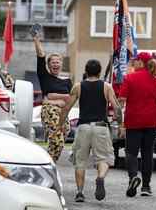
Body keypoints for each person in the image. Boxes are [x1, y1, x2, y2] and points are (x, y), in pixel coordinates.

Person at [61, 59, 122, 202]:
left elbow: (66, 108)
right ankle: (100, 178)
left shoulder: (78, 86)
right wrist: (121, 125)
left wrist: (60, 124)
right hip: (101, 127)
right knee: (104, 158)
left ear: (86, 71)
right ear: (100, 72)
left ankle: (80, 192)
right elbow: (117, 108)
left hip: (83, 127)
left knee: (80, 161)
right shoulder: (106, 87)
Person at [119, 52, 156, 197]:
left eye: (136, 61)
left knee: (131, 152)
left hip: (133, 121)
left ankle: (133, 177)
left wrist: (120, 122)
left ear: (141, 62)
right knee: (147, 152)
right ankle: (146, 186)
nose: (134, 63)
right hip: (152, 122)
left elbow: (121, 101)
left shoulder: (129, 78)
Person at [33, 33, 72, 162]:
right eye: (53, 62)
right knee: (57, 140)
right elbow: (40, 56)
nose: (55, 64)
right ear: (49, 65)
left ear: (61, 64)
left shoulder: (67, 81)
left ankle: (48, 162)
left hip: (63, 113)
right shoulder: (45, 76)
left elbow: (70, 98)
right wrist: (36, 40)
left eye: (58, 62)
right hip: (50, 111)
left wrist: (52, 97)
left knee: (61, 138)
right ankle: (48, 163)